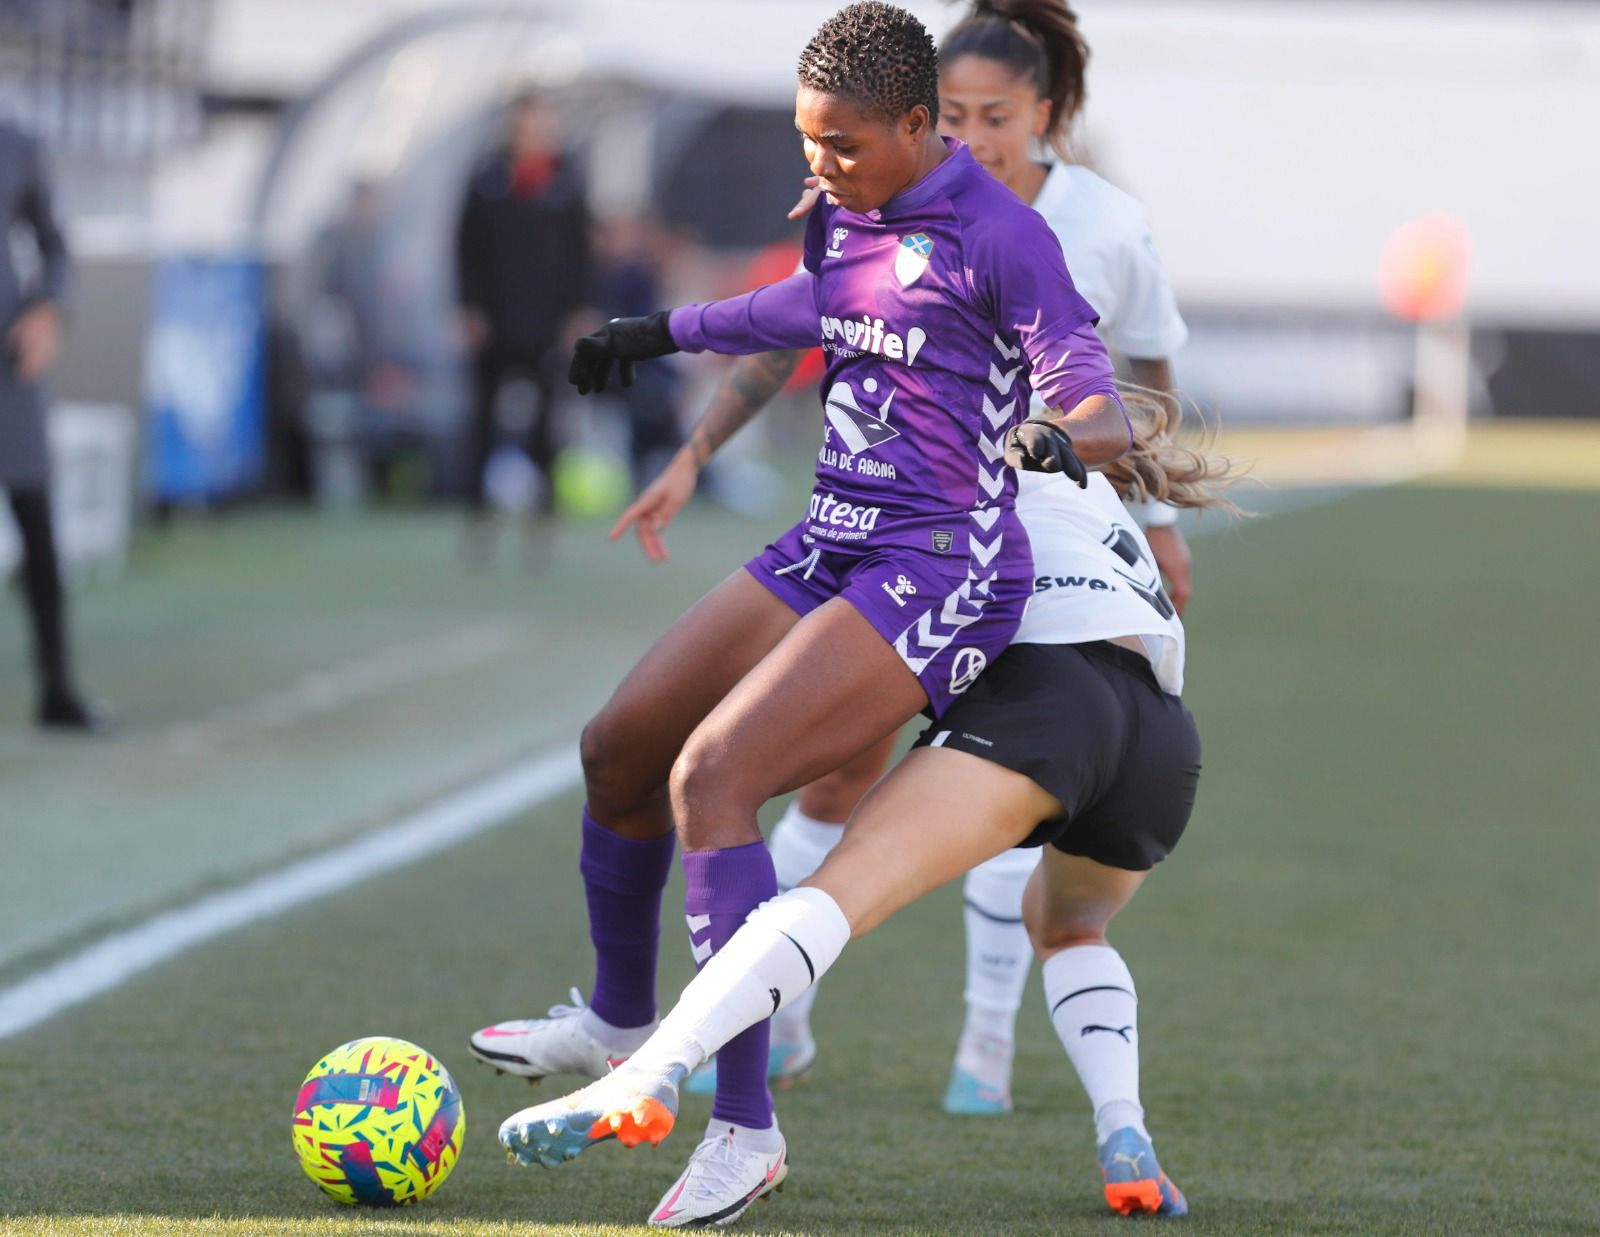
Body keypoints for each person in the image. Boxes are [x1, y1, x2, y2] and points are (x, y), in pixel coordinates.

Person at [470, 2, 1136, 1225]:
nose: (818, 167)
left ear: (919, 126)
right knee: (621, 746)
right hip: (831, 538)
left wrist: (1053, 430)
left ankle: (742, 1129)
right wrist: (656, 334)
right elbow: (803, 310)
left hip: (939, 568)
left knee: (714, 777)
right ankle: (624, 1024)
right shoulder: (844, 205)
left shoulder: (1003, 237)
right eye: (805, 141)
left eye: (842, 144)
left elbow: (1100, 401)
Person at [620, 0, 1196, 1117]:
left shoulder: (1086, 230)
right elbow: (800, 324)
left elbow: (1137, 400)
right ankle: (762, 1022)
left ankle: (975, 1045)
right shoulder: (868, 195)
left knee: (985, 798)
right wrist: (693, 449)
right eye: (961, 116)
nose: (974, 137)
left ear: (1046, 114)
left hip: (1013, 563)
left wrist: (1151, 513)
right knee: (822, 778)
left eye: (995, 115)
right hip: (879, 541)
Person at [497, 386, 1234, 1223]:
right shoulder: (1085, 475)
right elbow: (1125, 413)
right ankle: (1123, 1130)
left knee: (835, 893)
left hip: (1043, 701)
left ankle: (649, 1067)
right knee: (1070, 927)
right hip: (1163, 739)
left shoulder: (943, 449)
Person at [0, 119, 106, 732]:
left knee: (37, 530)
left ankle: (57, 690)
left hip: (8, 364)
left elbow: (55, 247)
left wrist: (47, 311)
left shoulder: (16, 144)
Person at [454, 89, 592, 543]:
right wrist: (468, 309)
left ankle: (543, 513)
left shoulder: (565, 183)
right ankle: (479, 512)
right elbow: (466, 251)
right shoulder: (487, 180)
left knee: (547, 422)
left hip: (546, 322)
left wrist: (578, 312)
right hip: (495, 319)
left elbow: (580, 255)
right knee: (484, 418)